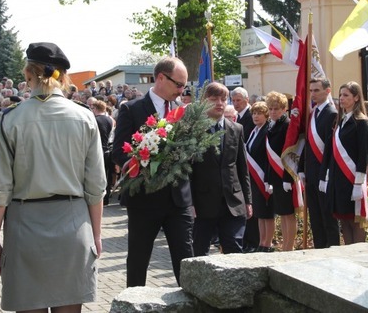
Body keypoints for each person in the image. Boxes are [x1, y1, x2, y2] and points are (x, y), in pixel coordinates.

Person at [0, 42, 107, 312]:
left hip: (25, 227)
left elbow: (1, 189)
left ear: (29, 74)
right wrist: (97, 233)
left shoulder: (9, 119)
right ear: (63, 77)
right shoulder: (85, 117)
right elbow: (96, 186)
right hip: (74, 225)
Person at [112, 56, 193, 287]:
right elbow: (118, 151)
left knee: (186, 261)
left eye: (184, 86)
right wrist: (144, 158)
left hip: (179, 200)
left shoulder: (183, 112)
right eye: (178, 84)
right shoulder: (132, 109)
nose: (181, 90)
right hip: (145, 200)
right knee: (138, 261)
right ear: (160, 78)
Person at [191, 82, 252, 256]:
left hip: (232, 203)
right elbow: (188, 171)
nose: (219, 103)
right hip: (203, 205)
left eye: (223, 99)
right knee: (199, 253)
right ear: (204, 101)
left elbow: (242, 167)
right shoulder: (194, 130)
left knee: (234, 250)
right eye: (214, 99)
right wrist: (190, 204)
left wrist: (248, 201)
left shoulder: (236, 129)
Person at [320, 81, 368, 245]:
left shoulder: (362, 122)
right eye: (341, 95)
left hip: (352, 179)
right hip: (338, 180)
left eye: (346, 95)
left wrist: (358, 183)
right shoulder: (340, 121)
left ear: (356, 98)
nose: (341, 98)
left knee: (355, 221)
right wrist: (325, 176)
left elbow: (363, 155)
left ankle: (358, 255)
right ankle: (348, 254)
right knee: (344, 220)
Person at [298, 78, 340, 249]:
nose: (313, 94)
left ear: (327, 91)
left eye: (316, 90)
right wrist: (301, 168)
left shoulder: (332, 113)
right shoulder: (313, 113)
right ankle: (319, 249)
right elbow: (307, 143)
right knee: (315, 216)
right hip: (311, 172)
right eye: (311, 91)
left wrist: (325, 175)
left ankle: (332, 250)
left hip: (325, 174)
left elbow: (330, 148)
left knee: (327, 217)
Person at [265, 91, 297, 251]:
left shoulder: (286, 125)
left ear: (285, 109)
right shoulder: (273, 125)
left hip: (286, 176)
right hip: (276, 177)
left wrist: (287, 178)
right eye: (270, 109)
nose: (272, 112)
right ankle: (285, 245)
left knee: (288, 213)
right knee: (282, 213)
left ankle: (289, 247)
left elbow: (289, 153)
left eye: (276, 109)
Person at [230, 86, 258, 251]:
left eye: (238, 100)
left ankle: (253, 241)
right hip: (242, 168)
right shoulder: (238, 118)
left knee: (251, 207)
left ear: (247, 100)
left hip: (252, 168)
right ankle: (247, 241)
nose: (235, 103)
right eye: (233, 100)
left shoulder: (250, 116)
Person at [245, 101, 275, 252]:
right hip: (254, 178)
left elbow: (268, 156)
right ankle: (261, 241)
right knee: (259, 212)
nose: (256, 116)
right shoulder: (254, 131)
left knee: (267, 212)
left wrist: (268, 179)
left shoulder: (267, 130)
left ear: (266, 115)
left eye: (259, 113)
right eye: (254, 113)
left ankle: (268, 243)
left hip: (264, 176)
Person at [91, 99, 115, 206]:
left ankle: (99, 199)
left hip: (98, 150)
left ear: (95, 108)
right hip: (108, 150)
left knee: (99, 175)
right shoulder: (110, 119)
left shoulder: (94, 119)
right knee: (108, 175)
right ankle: (107, 198)